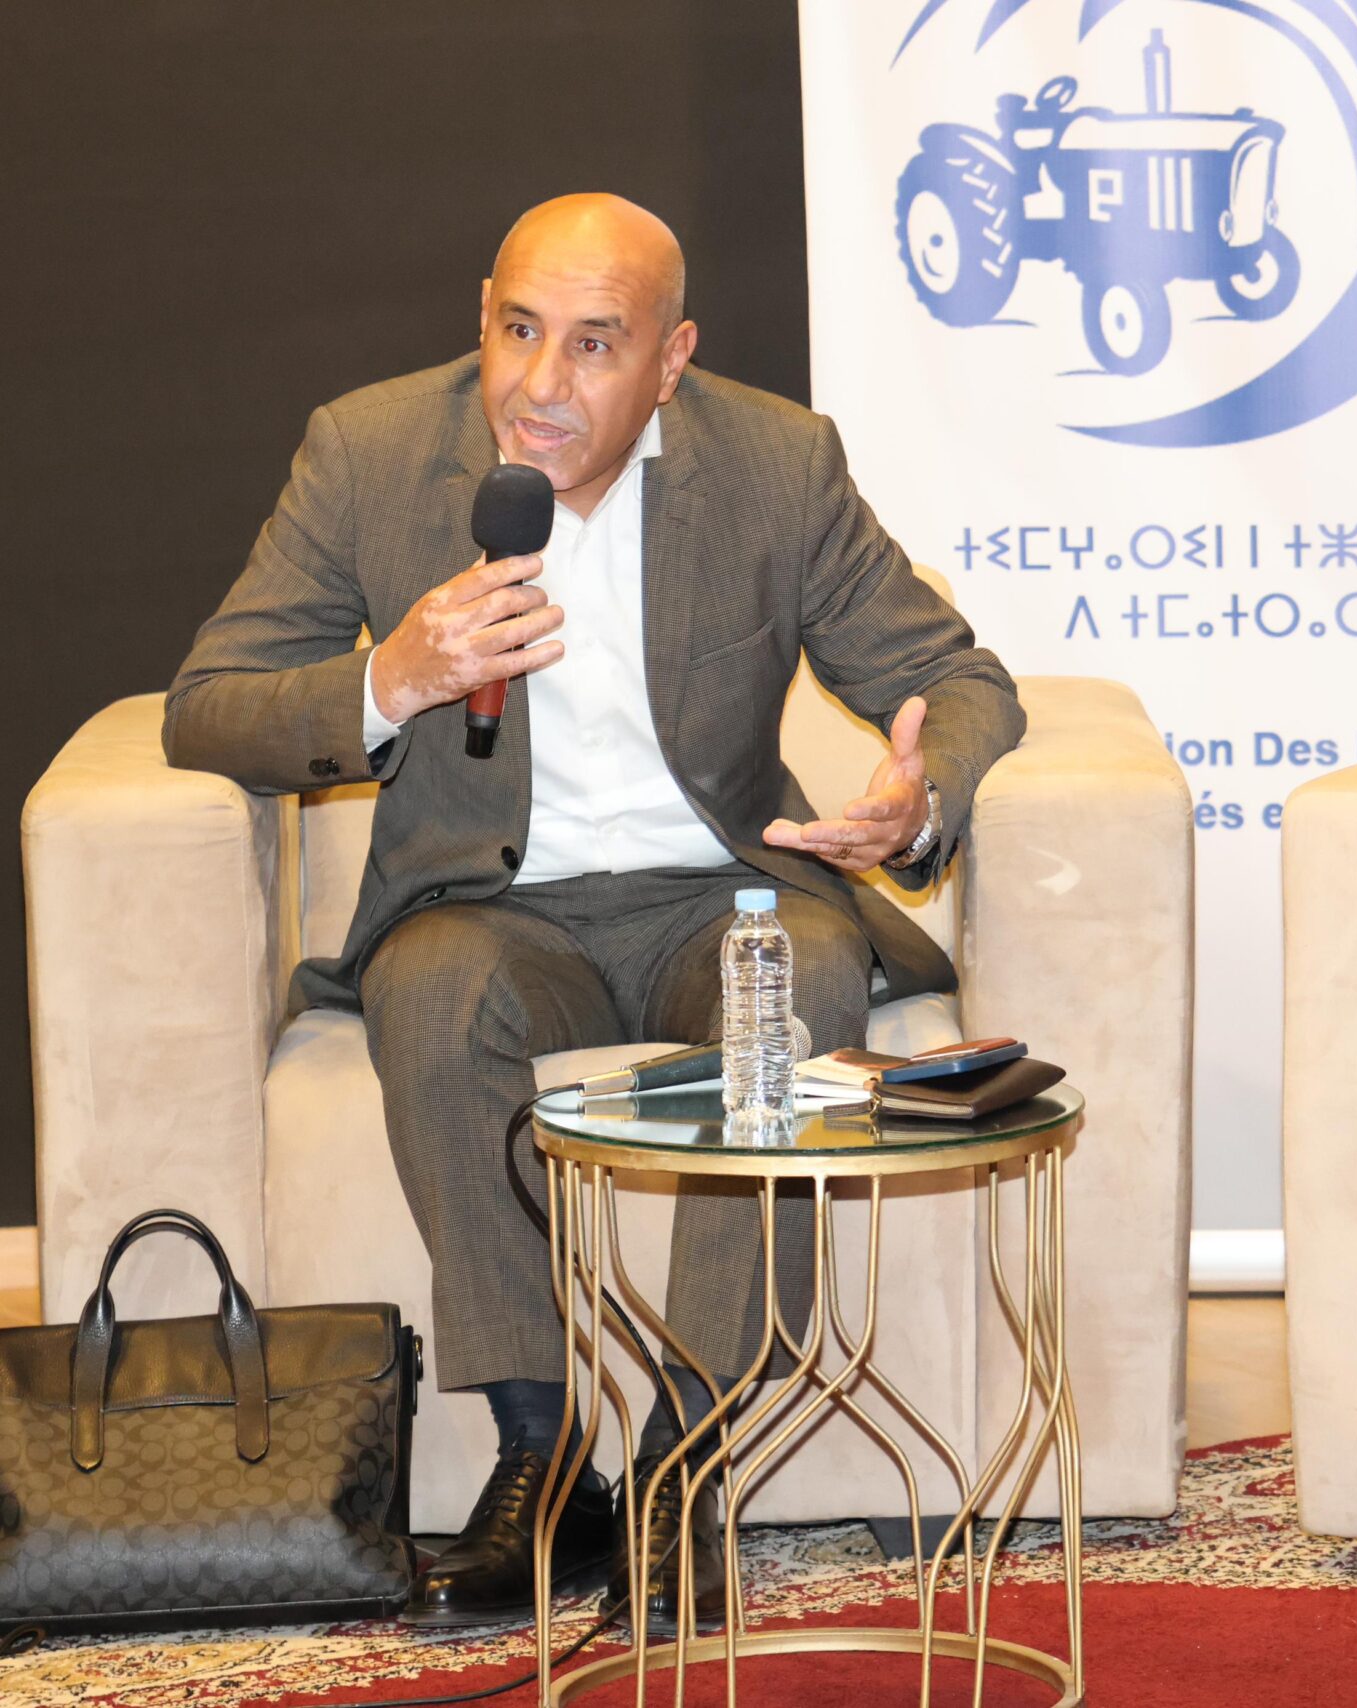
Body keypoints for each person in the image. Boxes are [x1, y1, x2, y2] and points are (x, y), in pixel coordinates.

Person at [162, 194, 1025, 1635]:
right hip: (490, 908)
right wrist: (390, 679)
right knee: (430, 996)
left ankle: (688, 1462)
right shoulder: (368, 451)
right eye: (517, 330)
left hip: (721, 890)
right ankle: (544, 1460)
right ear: (481, 319)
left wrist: (915, 797)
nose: (539, 385)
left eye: (593, 344)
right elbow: (209, 706)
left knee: (792, 978)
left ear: (672, 360)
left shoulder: (777, 464)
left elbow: (956, 678)